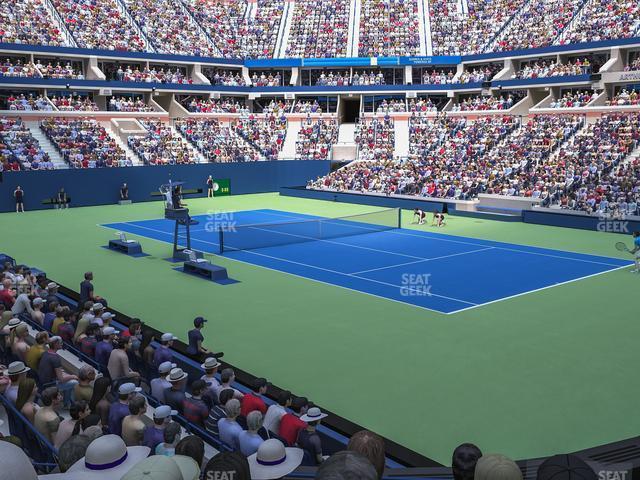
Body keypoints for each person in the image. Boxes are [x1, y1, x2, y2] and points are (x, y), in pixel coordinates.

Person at [38, 336, 79, 408]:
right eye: (60, 343)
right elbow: (61, 379)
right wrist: (72, 376)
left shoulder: (45, 353)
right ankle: (69, 405)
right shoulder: (55, 358)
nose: (62, 344)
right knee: (75, 382)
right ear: (56, 344)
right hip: (50, 384)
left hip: (43, 381)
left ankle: (67, 403)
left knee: (69, 382)